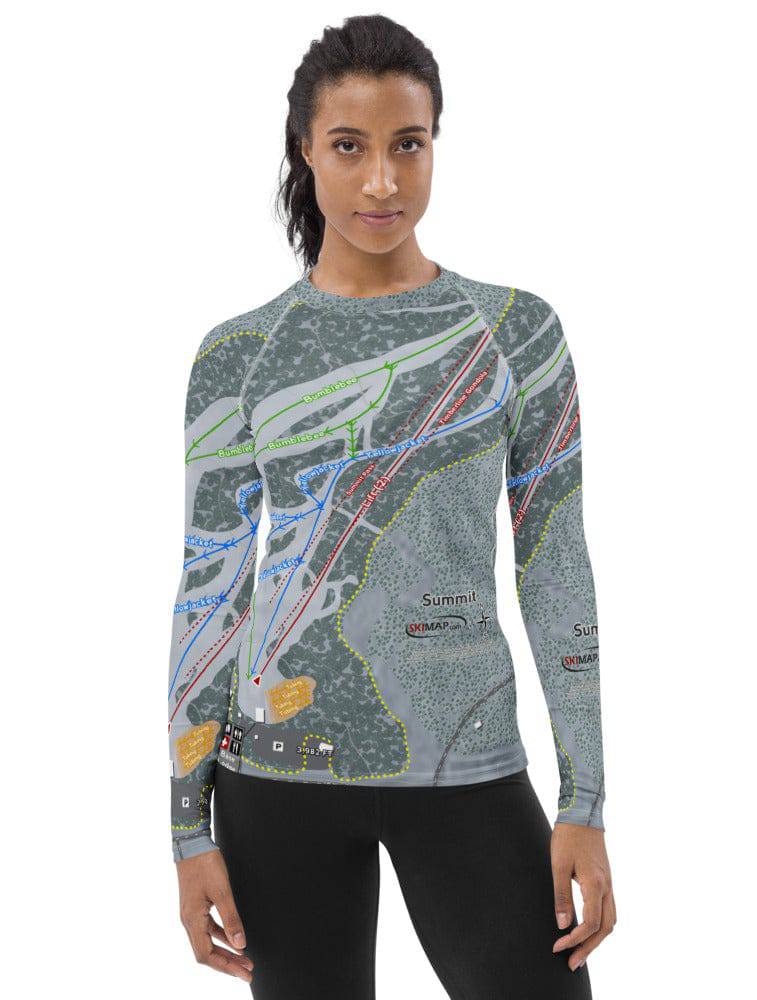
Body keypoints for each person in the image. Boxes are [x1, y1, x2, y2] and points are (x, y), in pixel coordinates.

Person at [167, 14, 615, 998]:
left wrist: (582, 800)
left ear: (435, 143)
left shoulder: (514, 333)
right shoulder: (239, 356)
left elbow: (555, 568)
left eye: (407, 144)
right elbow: (211, 592)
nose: (381, 181)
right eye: (349, 147)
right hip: (275, 772)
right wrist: (187, 829)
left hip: (468, 762)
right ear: (304, 150)